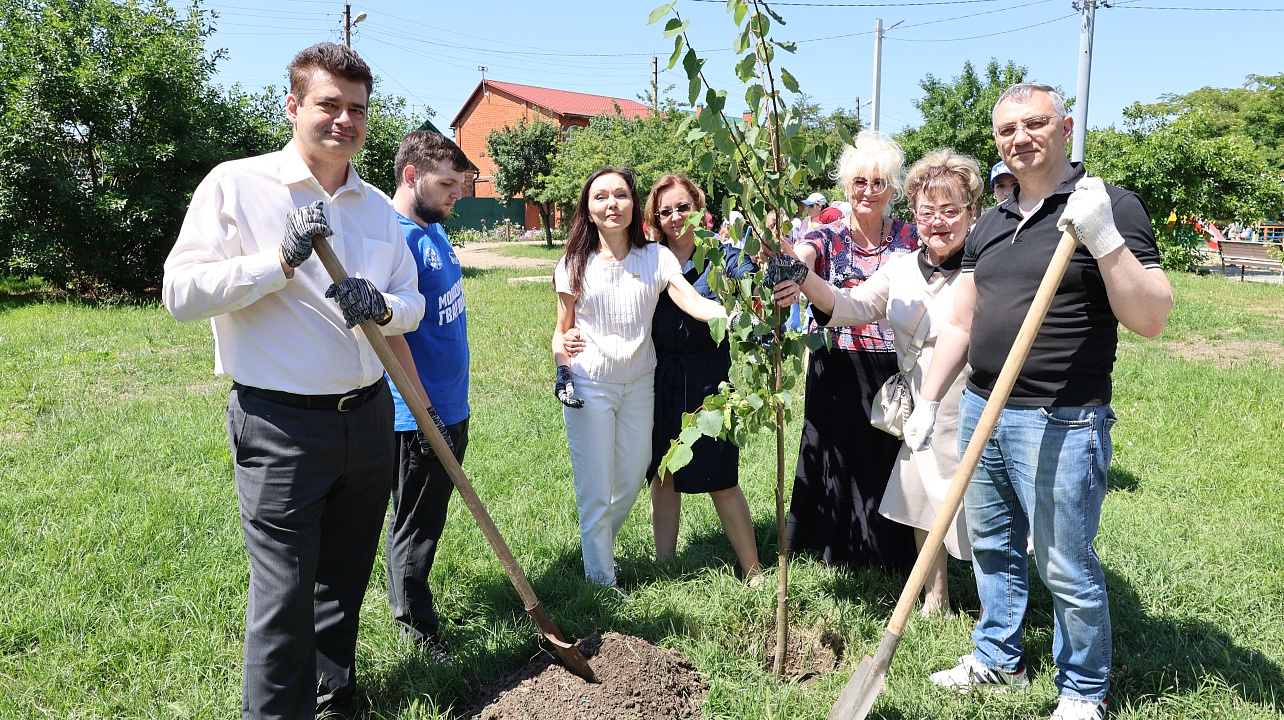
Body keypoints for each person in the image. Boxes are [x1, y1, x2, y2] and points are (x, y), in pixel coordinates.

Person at [162, 43, 425, 719]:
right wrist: (276, 260)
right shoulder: (237, 185)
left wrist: (385, 306)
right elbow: (180, 293)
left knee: (342, 583)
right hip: (280, 424)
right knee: (284, 596)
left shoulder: (373, 208)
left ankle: (332, 703)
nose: (345, 120)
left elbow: (411, 299)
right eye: (328, 104)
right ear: (293, 106)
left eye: (357, 109)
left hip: (367, 417)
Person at [907, 83, 1172, 720]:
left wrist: (1104, 238)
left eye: (1035, 124)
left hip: (1061, 415)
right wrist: (927, 399)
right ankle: (999, 658)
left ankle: (1083, 691)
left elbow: (1153, 316)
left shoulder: (1106, 205)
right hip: (982, 407)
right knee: (994, 547)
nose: (1020, 138)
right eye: (1007, 130)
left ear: (1065, 126)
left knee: (1063, 561)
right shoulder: (993, 222)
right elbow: (964, 323)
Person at [772, 148, 983, 615]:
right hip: (921, 405)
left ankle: (1002, 613)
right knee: (925, 499)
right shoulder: (902, 267)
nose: (938, 222)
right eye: (928, 212)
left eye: (951, 211)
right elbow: (849, 305)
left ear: (972, 213)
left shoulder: (984, 268)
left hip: (972, 403)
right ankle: (936, 598)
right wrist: (801, 272)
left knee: (983, 508)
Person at [551, 168, 729, 593]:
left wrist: (732, 316)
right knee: (595, 485)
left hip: (639, 384)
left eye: (620, 195)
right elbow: (562, 330)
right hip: (590, 383)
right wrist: (562, 370)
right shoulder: (574, 263)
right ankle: (600, 583)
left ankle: (593, 548)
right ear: (588, 208)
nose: (611, 204)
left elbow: (692, 301)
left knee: (632, 477)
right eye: (600, 197)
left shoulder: (656, 257)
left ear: (634, 204)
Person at [785, 130, 920, 572]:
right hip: (835, 361)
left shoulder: (909, 237)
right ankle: (825, 548)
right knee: (831, 451)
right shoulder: (827, 236)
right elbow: (805, 253)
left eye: (878, 182)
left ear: (893, 189)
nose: (868, 191)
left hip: (891, 366)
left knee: (882, 458)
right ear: (846, 186)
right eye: (859, 182)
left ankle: (884, 554)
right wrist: (792, 267)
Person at [642, 173, 761, 583]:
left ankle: (754, 570)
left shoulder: (722, 257)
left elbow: (749, 286)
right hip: (660, 381)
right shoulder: (649, 258)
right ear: (656, 218)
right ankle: (666, 566)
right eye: (666, 211)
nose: (676, 217)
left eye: (683, 207)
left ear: (699, 208)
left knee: (721, 478)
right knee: (664, 472)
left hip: (711, 381)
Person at [383, 130, 472, 662]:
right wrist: (426, 411)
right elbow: (391, 335)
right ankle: (416, 633)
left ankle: (411, 609)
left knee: (427, 519)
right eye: (446, 183)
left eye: (460, 184)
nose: (456, 194)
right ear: (412, 176)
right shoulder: (396, 238)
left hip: (447, 404)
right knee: (414, 525)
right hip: (417, 413)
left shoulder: (433, 229)